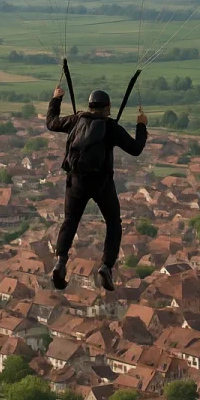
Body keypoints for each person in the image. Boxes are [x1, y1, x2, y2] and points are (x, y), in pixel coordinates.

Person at [46, 85, 147, 292]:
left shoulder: (76, 120)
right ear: (107, 108)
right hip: (102, 184)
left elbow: (51, 123)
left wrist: (56, 99)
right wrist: (141, 126)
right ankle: (106, 266)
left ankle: (60, 261)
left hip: (76, 182)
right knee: (113, 223)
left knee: (70, 220)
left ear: (90, 106)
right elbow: (136, 149)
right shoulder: (110, 127)